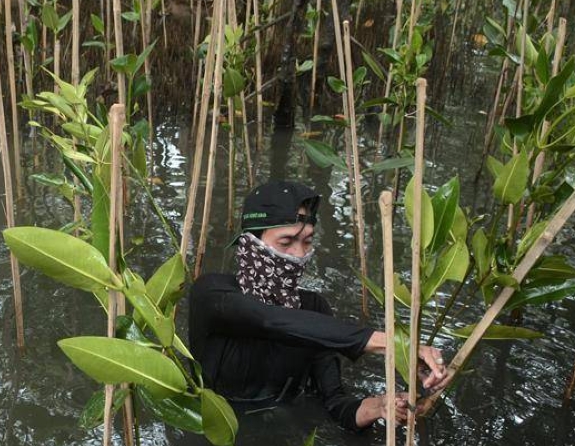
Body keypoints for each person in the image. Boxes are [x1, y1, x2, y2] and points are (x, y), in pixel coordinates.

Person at [188, 180, 451, 432]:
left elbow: (336, 402)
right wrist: (393, 345)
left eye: (307, 241)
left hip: (282, 437)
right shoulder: (212, 293)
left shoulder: (315, 310)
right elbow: (268, 319)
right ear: (251, 242)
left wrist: (381, 407)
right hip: (211, 430)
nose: (300, 254)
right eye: (285, 242)